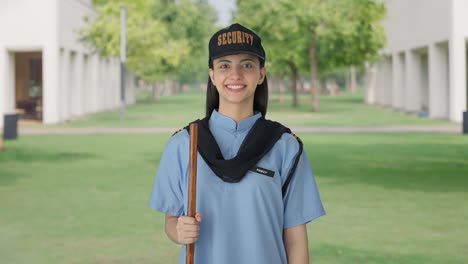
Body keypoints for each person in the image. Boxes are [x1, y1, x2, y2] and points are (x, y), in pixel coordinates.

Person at [149, 23, 325, 264]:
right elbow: (171, 222)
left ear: (261, 74)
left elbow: (295, 236)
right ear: (212, 74)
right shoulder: (184, 144)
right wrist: (178, 230)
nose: (236, 75)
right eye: (224, 65)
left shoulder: (285, 147)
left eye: (247, 65)